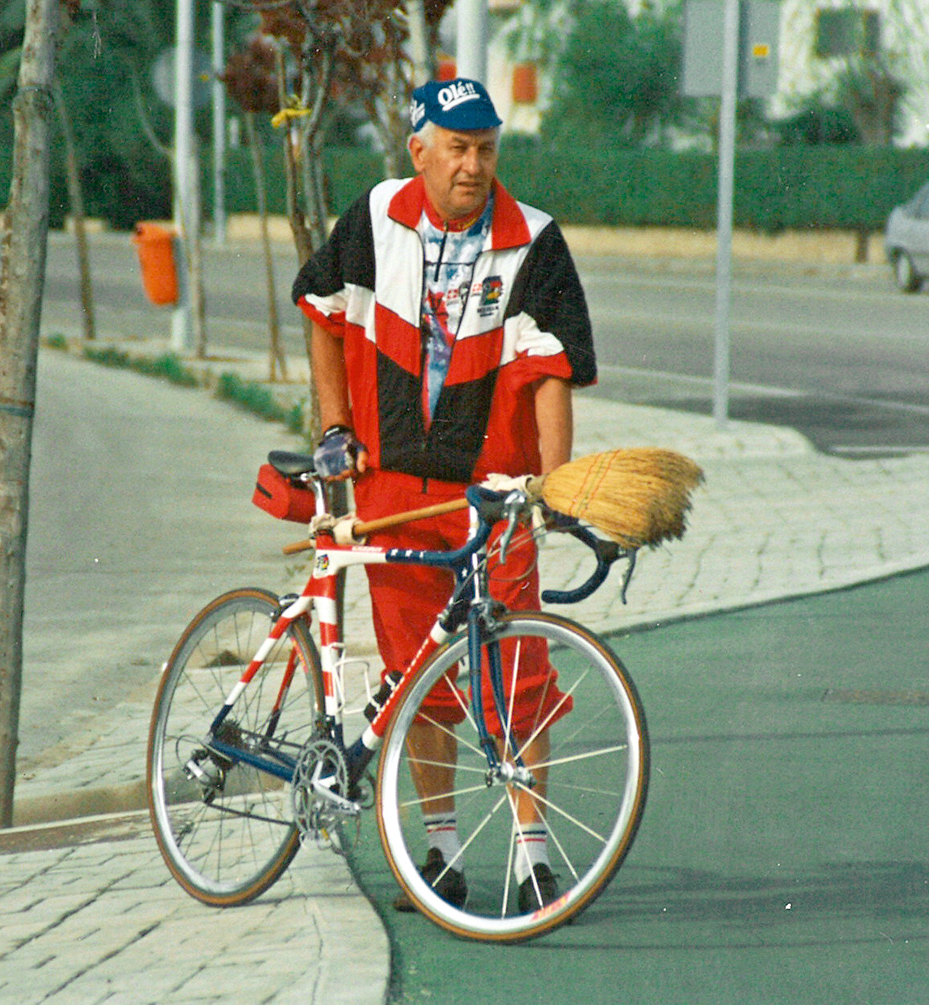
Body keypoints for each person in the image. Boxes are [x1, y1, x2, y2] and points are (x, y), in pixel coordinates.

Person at [291, 77, 596, 915]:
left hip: (492, 492)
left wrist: (552, 482)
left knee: (514, 670)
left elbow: (552, 369)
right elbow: (321, 308)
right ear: (418, 149)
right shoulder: (374, 217)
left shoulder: (532, 240)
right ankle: (440, 849)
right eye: (456, 148)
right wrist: (333, 425)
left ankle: (535, 853)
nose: (472, 165)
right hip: (390, 487)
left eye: (486, 148)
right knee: (412, 673)